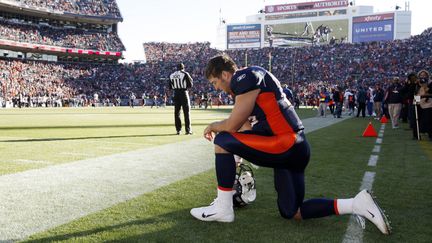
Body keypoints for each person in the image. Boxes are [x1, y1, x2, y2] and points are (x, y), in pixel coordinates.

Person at [190, 54, 391, 235]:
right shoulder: (245, 87)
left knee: (222, 139)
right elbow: (243, 130)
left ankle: (224, 208)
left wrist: (213, 125)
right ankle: (356, 204)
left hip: (285, 143)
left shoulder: (244, 77)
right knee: (292, 211)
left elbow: (231, 126)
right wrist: (235, 155)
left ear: (225, 74)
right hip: (294, 149)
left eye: (215, 82)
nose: (215, 88)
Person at [169, 63, 193, 135]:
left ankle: (178, 130)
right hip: (183, 92)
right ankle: (188, 130)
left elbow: (170, 87)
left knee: (177, 112)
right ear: (183, 68)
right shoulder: (185, 73)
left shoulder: (172, 75)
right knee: (186, 112)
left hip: (176, 93)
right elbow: (190, 85)